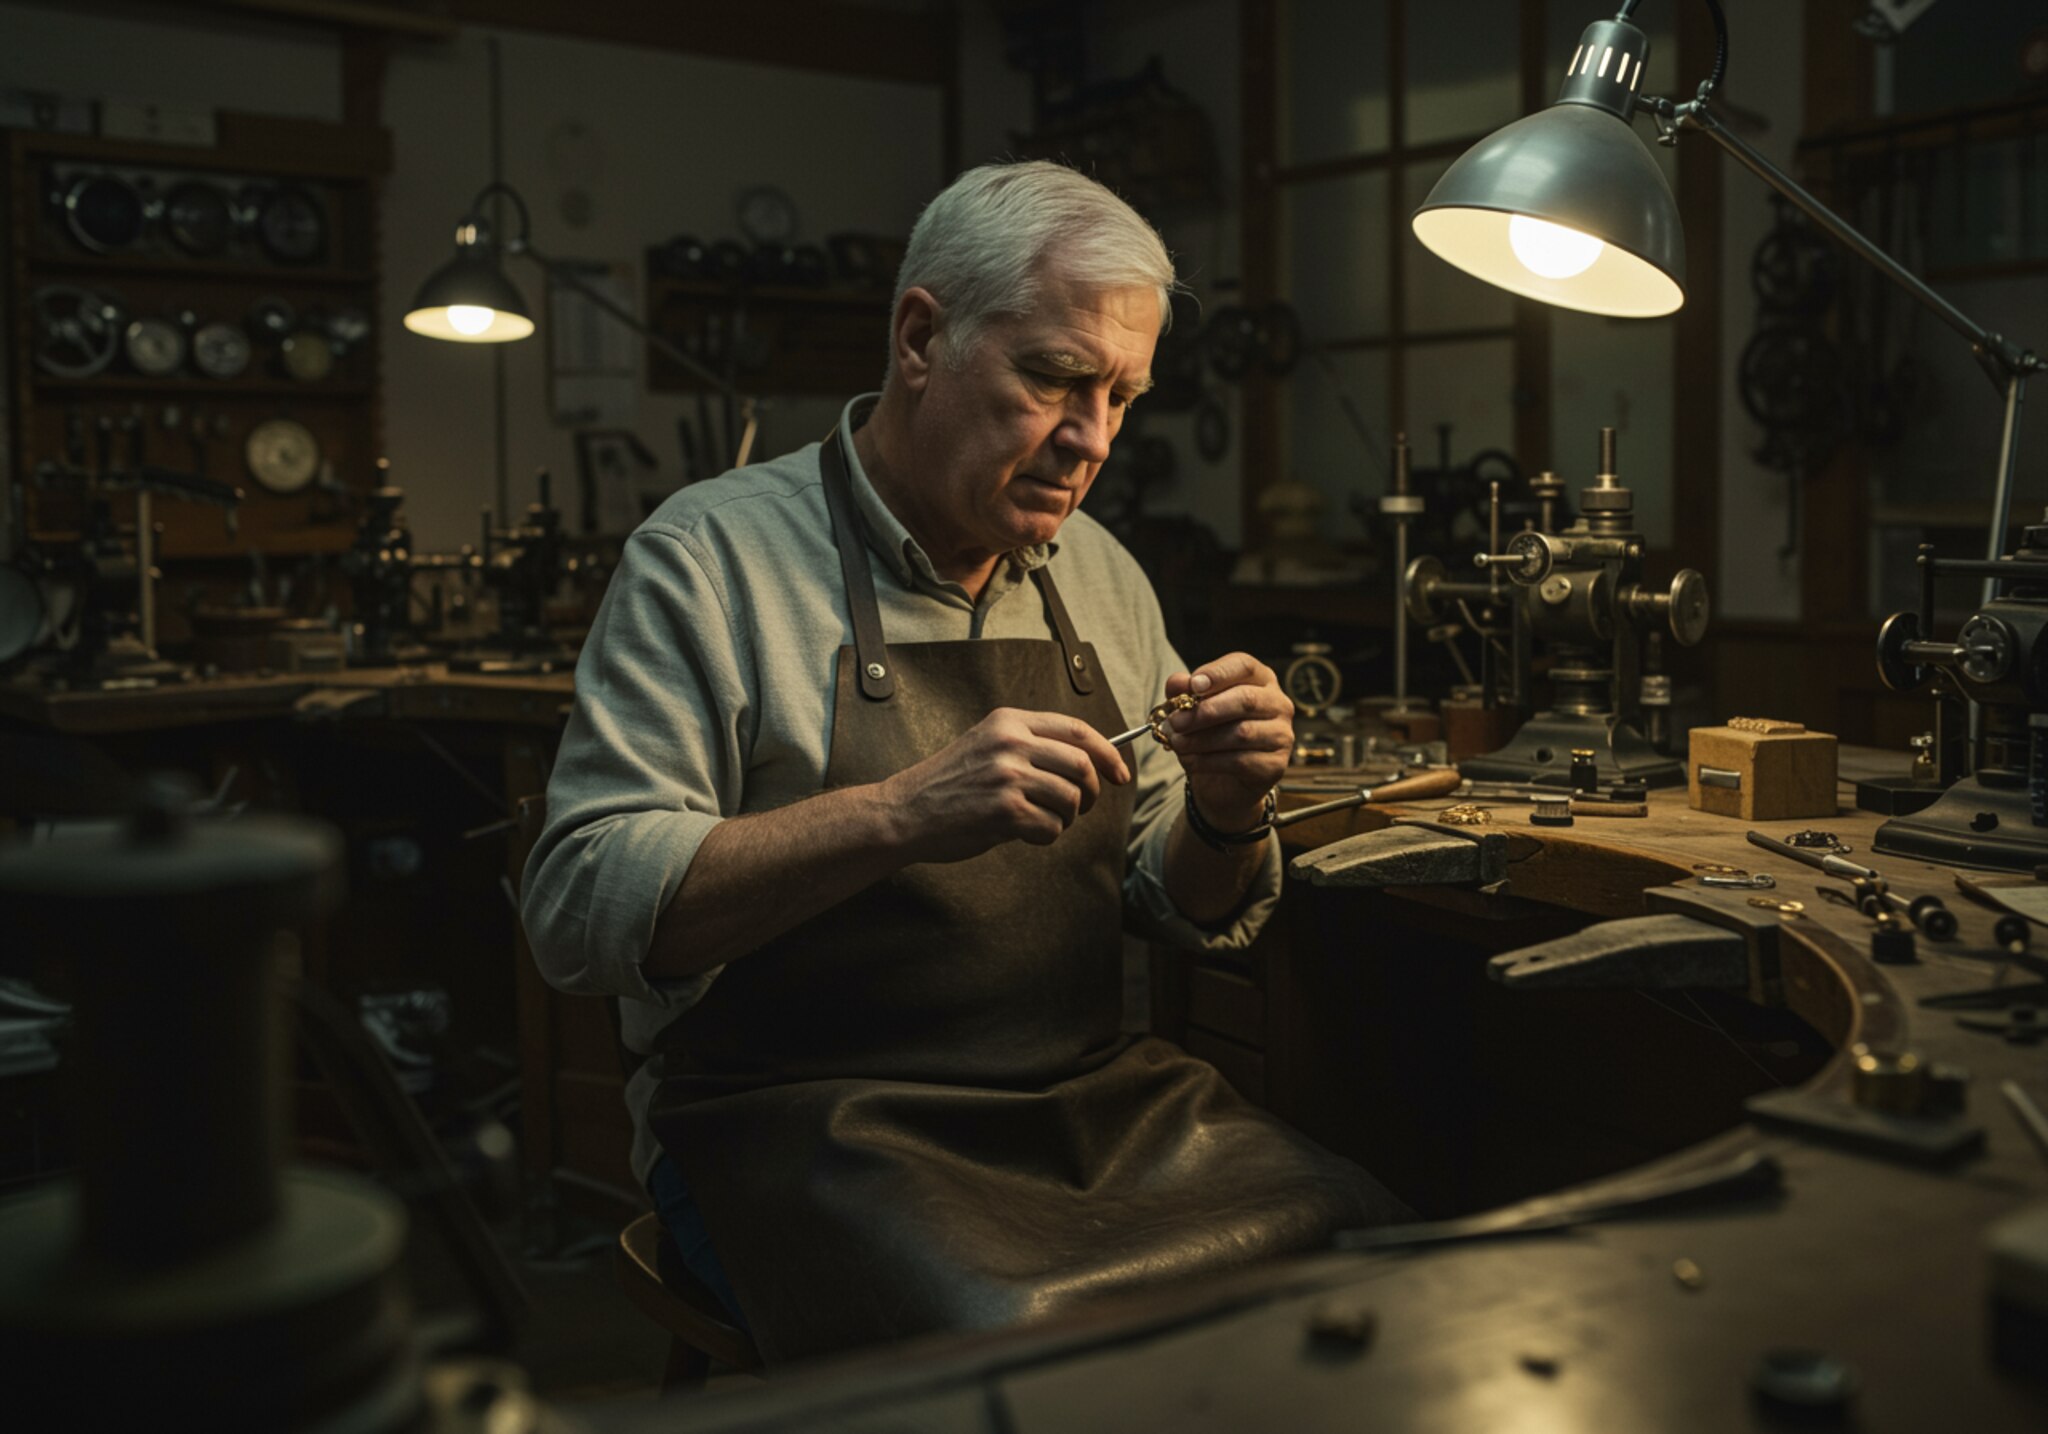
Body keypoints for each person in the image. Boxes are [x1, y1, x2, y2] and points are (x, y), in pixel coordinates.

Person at [521, 160, 1408, 1366]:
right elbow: (577, 906)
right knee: (1013, 1361)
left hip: (1094, 1105)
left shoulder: (1099, 574)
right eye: (1051, 378)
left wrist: (1225, 808)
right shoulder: (708, 558)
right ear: (920, 338)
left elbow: (1175, 901)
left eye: (1121, 397)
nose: (1088, 440)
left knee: (1372, 1249)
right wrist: (895, 811)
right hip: (800, 1124)